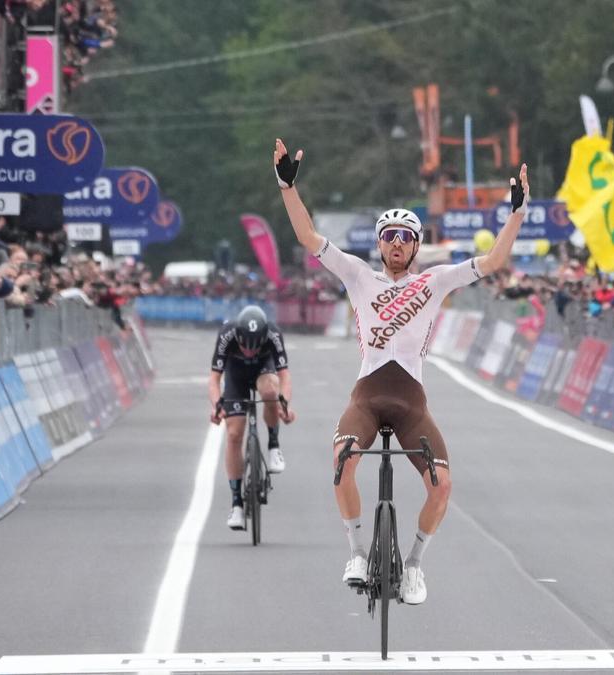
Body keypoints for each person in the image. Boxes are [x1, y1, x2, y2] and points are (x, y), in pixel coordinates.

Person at [273, 138, 528, 605]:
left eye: (405, 236)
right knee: (341, 463)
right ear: (378, 243)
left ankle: (413, 566)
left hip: (412, 405)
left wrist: (515, 215)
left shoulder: (435, 281)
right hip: (366, 401)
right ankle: (355, 552)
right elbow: (310, 239)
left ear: (416, 246)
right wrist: (288, 187)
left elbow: (493, 262)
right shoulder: (357, 275)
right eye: (388, 235)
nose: (396, 242)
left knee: (443, 485)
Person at [208, 304, 297, 530]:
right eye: (245, 346)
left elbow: (284, 376)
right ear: (237, 336)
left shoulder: (273, 334)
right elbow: (214, 379)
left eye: (255, 346)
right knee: (234, 434)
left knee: (269, 392)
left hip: (263, 371)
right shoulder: (226, 334)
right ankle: (236, 503)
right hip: (235, 376)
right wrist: (217, 405)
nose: (249, 351)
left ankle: (274, 446)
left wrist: (284, 404)